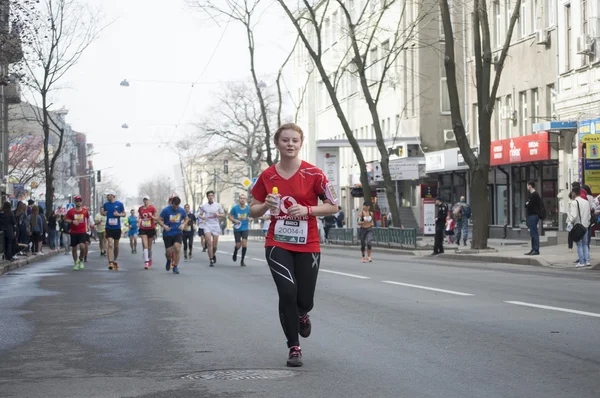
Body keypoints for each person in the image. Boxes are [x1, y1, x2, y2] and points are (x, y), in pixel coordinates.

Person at [250, 123, 338, 368]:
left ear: (300, 144)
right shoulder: (267, 176)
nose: (290, 144)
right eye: (285, 140)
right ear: (277, 143)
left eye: (295, 141)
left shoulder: (314, 174)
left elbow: (333, 206)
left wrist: (308, 209)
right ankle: (294, 347)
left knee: (305, 299)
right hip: (277, 242)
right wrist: (266, 205)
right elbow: (253, 210)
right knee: (287, 292)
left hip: (308, 242)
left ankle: (302, 314)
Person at [154, 196, 188, 274]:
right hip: (168, 233)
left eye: (177, 206)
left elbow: (186, 218)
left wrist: (183, 225)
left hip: (177, 232)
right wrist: (164, 226)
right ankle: (169, 260)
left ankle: (175, 266)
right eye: (174, 206)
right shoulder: (166, 210)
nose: (176, 208)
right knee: (168, 252)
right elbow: (159, 220)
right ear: (171, 203)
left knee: (177, 248)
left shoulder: (181, 210)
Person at [101, 190, 126, 270]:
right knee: (110, 244)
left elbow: (124, 214)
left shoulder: (119, 204)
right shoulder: (106, 204)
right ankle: (110, 262)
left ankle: (115, 260)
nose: (107, 197)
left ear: (112, 195)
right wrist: (103, 213)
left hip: (117, 227)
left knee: (116, 245)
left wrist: (118, 214)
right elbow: (104, 213)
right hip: (109, 227)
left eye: (108, 195)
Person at [198, 190, 225, 267]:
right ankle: (211, 260)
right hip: (207, 225)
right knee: (209, 243)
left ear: (213, 196)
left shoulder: (218, 205)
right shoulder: (204, 206)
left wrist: (218, 214)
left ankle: (213, 254)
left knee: (215, 246)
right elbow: (200, 214)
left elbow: (223, 215)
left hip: (215, 225)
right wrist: (202, 217)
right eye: (209, 195)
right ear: (207, 197)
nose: (210, 197)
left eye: (212, 195)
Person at [65, 196, 90, 270]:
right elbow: (66, 219)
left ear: (81, 202)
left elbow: (88, 217)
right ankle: (76, 262)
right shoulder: (71, 211)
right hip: (74, 232)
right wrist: (72, 221)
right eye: (77, 201)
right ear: (75, 202)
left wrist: (88, 225)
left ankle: (81, 259)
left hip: (82, 231)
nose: (78, 202)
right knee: (74, 248)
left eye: (80, 201)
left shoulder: (85, 210)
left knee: (83, 247)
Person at [568, 187, 591, 267]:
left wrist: (570, 222)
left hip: (578, 226)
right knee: (585, 244)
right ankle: (587, 261)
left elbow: (574, 215)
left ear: (574, 193)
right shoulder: (586, 202)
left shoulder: (574, 202)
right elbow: (589, 215)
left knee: (579, 244)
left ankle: (581, 262)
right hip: (585, 226)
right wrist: (587, 223)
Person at [229, 194, 252, 267]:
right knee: (238, 245)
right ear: (239, 199)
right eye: (241, 198)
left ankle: (242, 260)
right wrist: (234, 220)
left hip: (245, 228)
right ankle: (235, 251)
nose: (242, 199)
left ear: (245, 200)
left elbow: (252, 217)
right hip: (237, 228)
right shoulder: (235, 208)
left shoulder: (248, 208)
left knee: (244, 243)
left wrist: (250, 219)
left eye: (244, 198)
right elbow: (229, 216)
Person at [138, 195, 157, 270]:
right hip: (143, 228)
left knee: (149, 247)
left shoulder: (152, 208)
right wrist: (139, 220)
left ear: (149, 200)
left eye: (146, 200)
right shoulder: (140, 208)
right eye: (144, 200)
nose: (145, 201)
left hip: (151, 228)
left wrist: (151, 216)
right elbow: (139, 216)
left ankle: (150, 258)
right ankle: (146, 262)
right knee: (145, 245)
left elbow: (156, 218)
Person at [525, 181, 542, 256]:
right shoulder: (531, 195)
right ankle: (533, 249)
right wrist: (527, 204)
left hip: (533, 215)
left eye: (527, 186)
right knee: (532, 233)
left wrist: (527, 204)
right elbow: (526, 204)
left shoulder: (534, 195)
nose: (527, 187)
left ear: (530, 186)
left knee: (534, 233)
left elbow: (529, 204)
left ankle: (536, 249)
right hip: (531, 215)